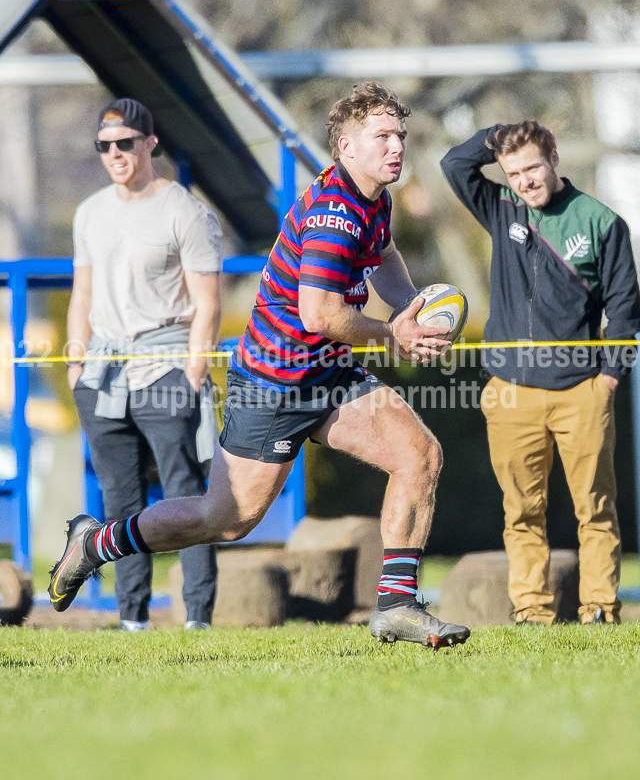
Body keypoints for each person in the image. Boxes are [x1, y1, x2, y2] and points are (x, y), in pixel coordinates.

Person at [50, 83, 471, 650]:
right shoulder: (335, 214)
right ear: (346, 145)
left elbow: (385, 253)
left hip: (327, 374)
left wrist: (408, 303)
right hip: (272, 383)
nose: (396, 147)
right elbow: (319, 312)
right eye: (382, 137)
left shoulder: (374, 201)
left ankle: (396, 605)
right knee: (224, 520)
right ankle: (95, 543)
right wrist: (390, 333)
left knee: (419, 454)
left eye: (400, 135)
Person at [441, 120, 640, 625]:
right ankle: (532, 611)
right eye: (513, 173)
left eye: (532, 167)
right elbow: (454, 164)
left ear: (554, 157)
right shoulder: (500, 206)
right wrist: (497, 134)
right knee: (521, 512)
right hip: (510, 392)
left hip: (582, 391)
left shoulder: (602, 222)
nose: (524, 181)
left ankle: (600, 608)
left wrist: (610, 378)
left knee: (594, 509)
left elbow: (625, 309)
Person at [65, 98, 222, 631]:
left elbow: (208, 301)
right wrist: (74, 362)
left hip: (165, 365)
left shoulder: (185, 210)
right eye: (105, 146)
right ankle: (131, 618)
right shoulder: (89, 213)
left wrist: (193, 371)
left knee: (185, 494)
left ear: (150, 144)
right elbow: (81, 294)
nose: (115, 154)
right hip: (102, 372)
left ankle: (196, 615)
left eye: (125, 143)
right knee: (119, 499)